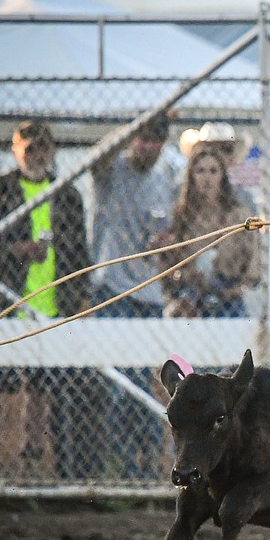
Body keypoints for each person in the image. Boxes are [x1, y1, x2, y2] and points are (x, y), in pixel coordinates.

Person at [0, 120, 90, 479]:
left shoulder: (67, 196)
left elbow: (80, 255)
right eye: (29, 148)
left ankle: (34, 460)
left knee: (44, 388)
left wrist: (80, 298)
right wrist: (16, 251)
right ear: (16, 150)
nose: (36, 155)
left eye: (42, 148)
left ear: (52, 151)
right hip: (7, 301)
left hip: (53, 303)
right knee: (2, 385)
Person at [89, 114, 177, 479]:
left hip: (149, 293)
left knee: (144, 383)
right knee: (117, 385)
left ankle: (145, 467)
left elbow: (167, 232)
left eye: (156, 140)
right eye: (143, 138)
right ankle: (120, 469)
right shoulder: (113, 172)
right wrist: (128, 129)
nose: (148, 146)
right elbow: (96, 160)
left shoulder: (164, 180)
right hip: (112, 289)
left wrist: (164, 242)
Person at [162, 148, 262, 318]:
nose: (207, 178)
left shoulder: (238, 215)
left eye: (213, 171)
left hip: (228, 292)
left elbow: (254, 257)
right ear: (191, 176)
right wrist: (184, 276)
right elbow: (169, 261)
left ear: (222, 176)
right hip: (191, 294)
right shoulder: (182, 215)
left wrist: (240, 287)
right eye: (200, 171)